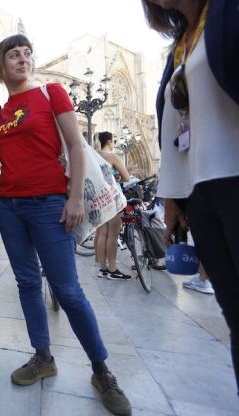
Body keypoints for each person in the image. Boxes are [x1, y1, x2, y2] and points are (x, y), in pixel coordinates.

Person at [0, 35, 131, 415]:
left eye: (26, 53)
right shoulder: (1, 113)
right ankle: (42, 356)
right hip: (9, 206)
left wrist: (73, 198)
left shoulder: (51, 93)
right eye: (13, 55)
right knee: (27, 283)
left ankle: (101, 370)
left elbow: (74, 146)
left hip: (50, 203)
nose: (22, 58)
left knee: (68, 291)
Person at [143, 0, 239, 391]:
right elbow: (175, 127)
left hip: (234, 177)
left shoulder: (227, 11)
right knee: (234, 314)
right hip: (200, 193)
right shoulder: (180, 45)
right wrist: (173, 197)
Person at [95, 132, 131, 280]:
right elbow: (127, 177)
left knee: (102, 234)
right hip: (113, 198)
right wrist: (117, 177)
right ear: (109, 142)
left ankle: (103, 269)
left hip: (98, 198)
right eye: (114, 140)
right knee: (113, 235)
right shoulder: (112, 157)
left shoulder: (94, 155)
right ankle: (113, 268)